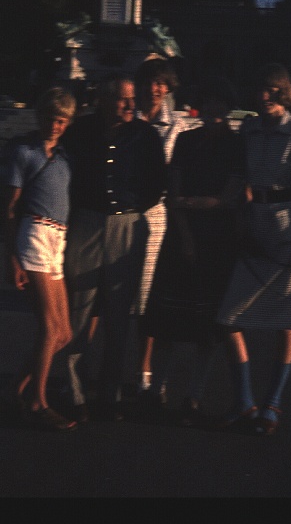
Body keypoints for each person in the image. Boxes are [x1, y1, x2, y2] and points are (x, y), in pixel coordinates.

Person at [215, 62, 291, 436]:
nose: (259, 95)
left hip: (290, 230)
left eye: (265, 89)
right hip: (254, 224)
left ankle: (272, 403)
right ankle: (245, 400)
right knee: (228, 317)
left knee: (288, 320)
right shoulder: (250, 128)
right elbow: (244, 180)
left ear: (278, 91)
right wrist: (240, 222)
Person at [61, 72, 167, 423]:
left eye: (132, 98)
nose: (129, 104)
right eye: (122, 98)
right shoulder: (80, 131)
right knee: (78, 309)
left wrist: (131, 205)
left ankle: (110, 395)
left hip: (127, 225)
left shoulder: (146, 135)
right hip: (87, 223)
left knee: (119, 315)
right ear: (103, 98)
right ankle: (73, 391)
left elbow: (157, 183)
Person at [141, 78, 245, 427]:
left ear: (229, 108)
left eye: (220, 104)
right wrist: (185, 232)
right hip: (182, 235)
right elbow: (173, 194)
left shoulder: (236, 144)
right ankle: (157, 390)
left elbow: (230, 197)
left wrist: (190, 202)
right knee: (168, 323)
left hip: (218, 242)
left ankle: (194, 397)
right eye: (208, 104)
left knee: (206, 329)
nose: (213, 111)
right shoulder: (185, 140)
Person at [4, 86, 78, 431]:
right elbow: (10, 208)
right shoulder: (25, 152)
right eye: (51, 118)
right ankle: (38, 402)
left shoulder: (65, 157)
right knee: (49, 327)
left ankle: (15, 392)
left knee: (64, 332)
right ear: (40, 117)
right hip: (33, 234)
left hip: (57, 240)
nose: (56, 126)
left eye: (62, 120)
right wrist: (12, 258)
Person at [132, 57, 191, 396]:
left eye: (160, 83)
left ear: (168, 88)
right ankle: (99, 369)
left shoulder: (180, 126)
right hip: (120, 215)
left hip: (159, 220)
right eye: (148, 82)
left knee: (149, 301)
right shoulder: (127, 118)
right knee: (108, 299)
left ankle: (144, 369)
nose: (153, 89)